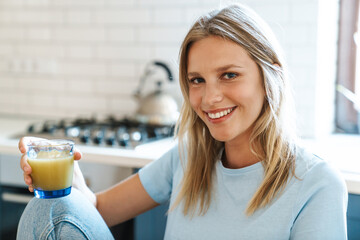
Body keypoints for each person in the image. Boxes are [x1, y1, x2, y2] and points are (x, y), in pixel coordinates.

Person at [18, 4, 348, 240]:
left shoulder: (316, 184)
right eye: (197, 80)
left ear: (270, 74)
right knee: (47, 208)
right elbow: (95, 212)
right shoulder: (188, 158)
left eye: (229, 75)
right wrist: (70, 182)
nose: (210, 98)